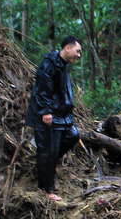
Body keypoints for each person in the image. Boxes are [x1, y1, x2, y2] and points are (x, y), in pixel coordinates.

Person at [25, 36, 83, 202]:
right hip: (49, 116)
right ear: (67, 48)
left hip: (61, 116)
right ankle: (47, 190)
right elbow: (42, 88)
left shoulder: (62, 65)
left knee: (72, 136)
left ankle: (46, 163)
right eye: (77, 51)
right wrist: (45, 111)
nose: (78, 55)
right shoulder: (49, 63)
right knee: (48, 151)